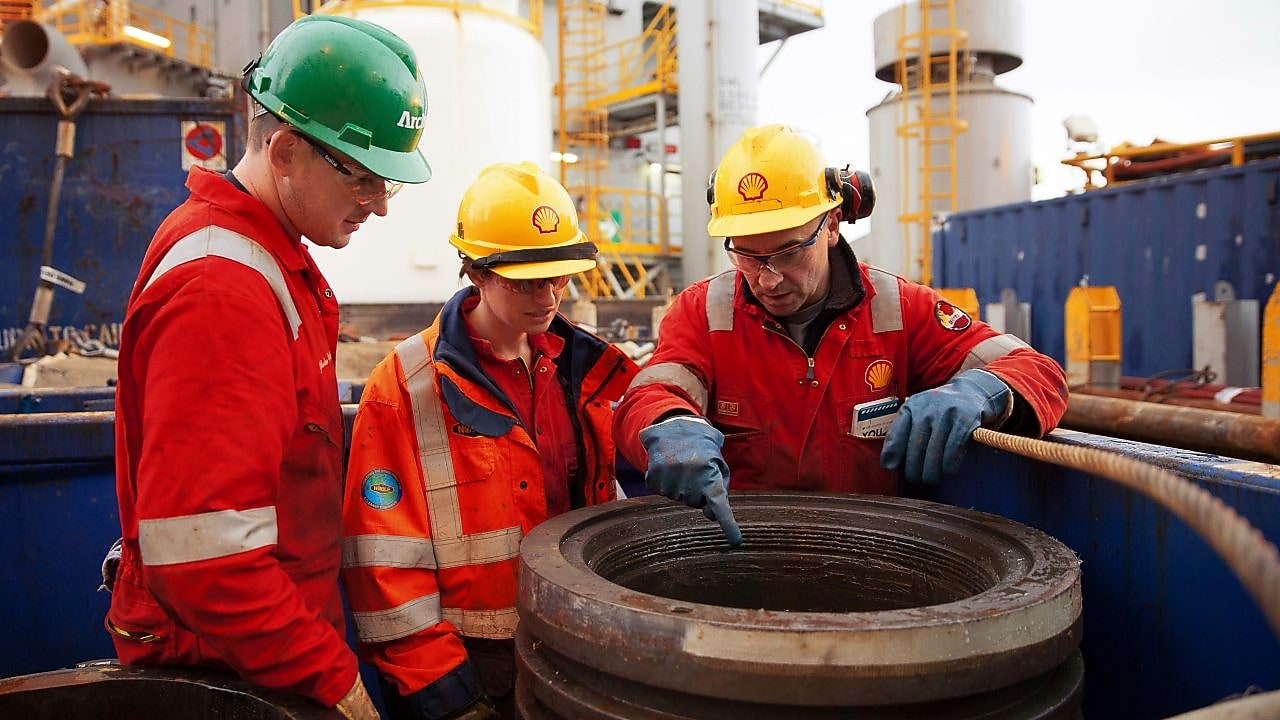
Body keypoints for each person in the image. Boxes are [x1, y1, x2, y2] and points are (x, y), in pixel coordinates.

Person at [104, 15, 431, 720]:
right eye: (366, 178)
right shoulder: (223, 291)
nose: (377, 205)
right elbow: (205, 560)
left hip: (260, 654)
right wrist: (332, 679)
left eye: (390, 185)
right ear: (284, 151)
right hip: (236, 674)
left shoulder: (268, 253)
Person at [613, 124, 1069, 546]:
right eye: (746, 255)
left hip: (868, 557)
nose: (767, 279)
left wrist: (982, 391)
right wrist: (669, 425)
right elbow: (652, 393)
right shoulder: (704, 311)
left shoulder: (899, 309)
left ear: (831, 225)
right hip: (742, 556)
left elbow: (1039, 372)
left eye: (788, 252)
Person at [339, 162, 638, 720]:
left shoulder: (578, 367)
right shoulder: (407, 385)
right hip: (466, 664)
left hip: (576, 644)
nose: (548, 296)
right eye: (526, 281)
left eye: (560, 277)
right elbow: (382, 559)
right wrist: (444, 692)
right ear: (475, 271)